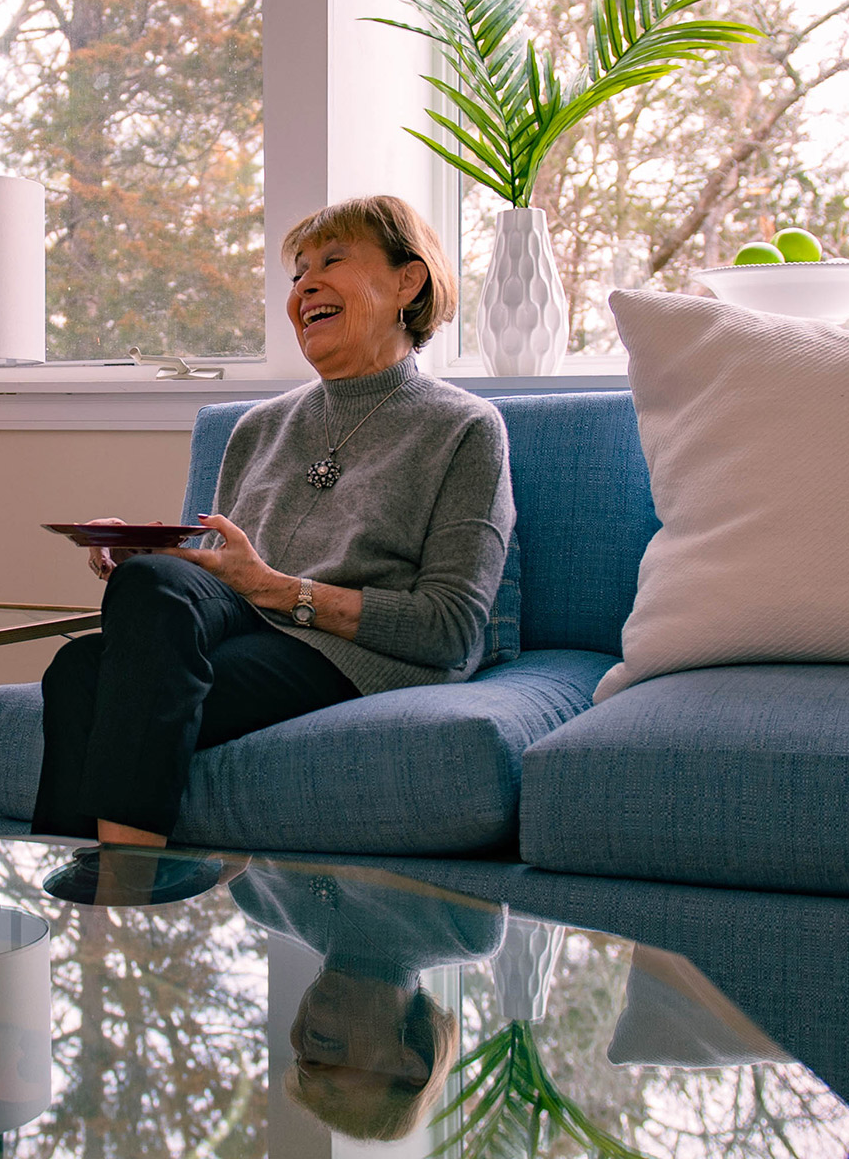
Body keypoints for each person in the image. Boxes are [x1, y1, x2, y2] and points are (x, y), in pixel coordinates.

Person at [32, 194, 514, 883]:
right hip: (248, 624)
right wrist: (152, 556)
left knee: (83, 675)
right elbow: (218, 576)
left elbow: (452, 630)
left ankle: (121, 891)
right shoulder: (258, 425)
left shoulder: (463, 428)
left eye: (332, 262)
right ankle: (102, 901)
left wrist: (275, 588)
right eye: (297, 273)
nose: (305, 286)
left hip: (354, 653)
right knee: (137, 598)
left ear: (408, 282)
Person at [230, 861, 496, 1142]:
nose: (305, 1067)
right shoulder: (464, 931)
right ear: (408, 1066)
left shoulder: (257, 898)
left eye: (299, 1064)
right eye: (335, 1094)